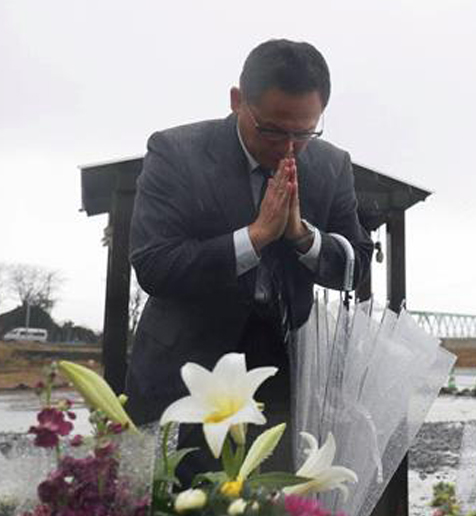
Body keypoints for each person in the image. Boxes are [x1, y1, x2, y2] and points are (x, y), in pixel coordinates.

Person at [125, 39, 373, 479]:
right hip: (185, 369)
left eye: (305, 133)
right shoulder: (175, 152)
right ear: (238, 101)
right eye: (274, 131)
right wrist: (255, 238)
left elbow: (357, 268)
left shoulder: (332, 166)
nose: (289, 150)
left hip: (281, 376)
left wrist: (302, 237)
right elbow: (154, 264)